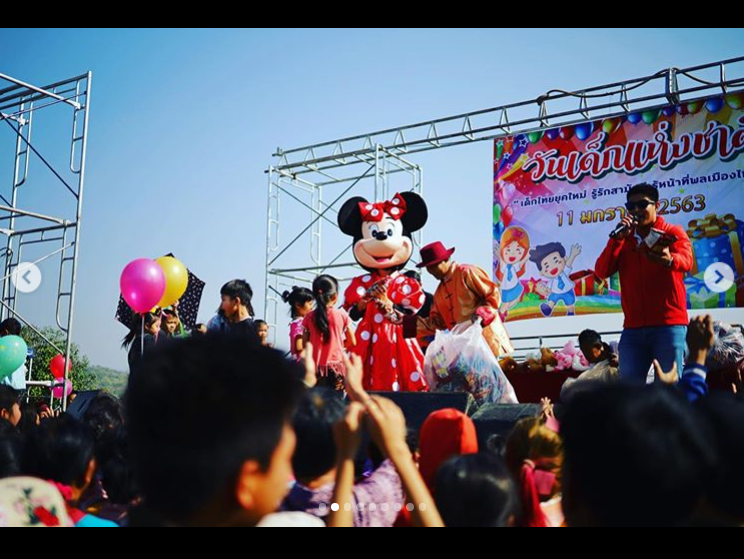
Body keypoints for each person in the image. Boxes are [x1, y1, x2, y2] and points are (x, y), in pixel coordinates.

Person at [595, 183, 693, 384]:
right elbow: (601, 271)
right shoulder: (624, 239)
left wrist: (669, 259)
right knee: (629, 391)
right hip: (633, 329)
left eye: (642, 204)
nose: (636, 210)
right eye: (631, 206)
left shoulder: (672, 232)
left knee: (668, 389)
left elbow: (687, 260)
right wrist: (617, 240)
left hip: (669, 326)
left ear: (657, 206)